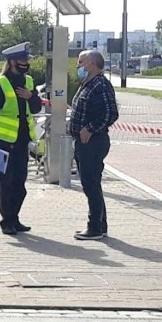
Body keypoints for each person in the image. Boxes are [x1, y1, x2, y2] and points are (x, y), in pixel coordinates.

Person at [0, 42, 43, 235]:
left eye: (27, 60)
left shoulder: (29, 82)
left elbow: (36, 108)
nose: (26, 63)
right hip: (3, 144)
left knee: (20, 185)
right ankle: (6, 222)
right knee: (6, 184)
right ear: (13, 61)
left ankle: (15, 219)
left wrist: (30, 96)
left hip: (22, 142)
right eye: (23, 60)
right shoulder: (1, 84)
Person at [70, 49, 119, 240]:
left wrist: (89, 129)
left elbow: (111, 113)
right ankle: (101, 225)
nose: (78, 66)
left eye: (81, 62)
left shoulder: (101, 85)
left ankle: (94, 227)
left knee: (90, 184)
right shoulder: (88, 84)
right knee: (91, 184)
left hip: (93, 142)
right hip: (83, 142)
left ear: (91, 63)